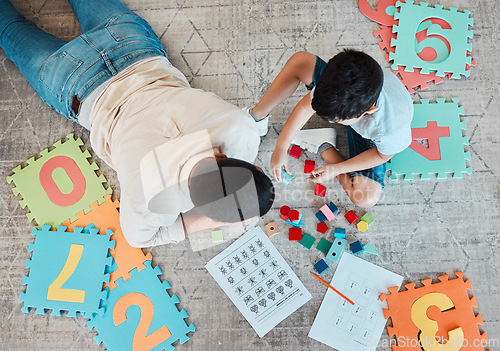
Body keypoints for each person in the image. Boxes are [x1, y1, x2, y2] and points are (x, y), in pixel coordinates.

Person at [0, 0, 275, 247]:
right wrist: (211, 221)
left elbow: (252, 126)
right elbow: (138, 239)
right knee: (8, 27)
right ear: (200, 204)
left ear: (234, 159)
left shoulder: (238, 129)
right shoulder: (152, 200)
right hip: (76, 86)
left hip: (130, 44)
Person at [246, 49, 413, 208]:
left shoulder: (390, 129)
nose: (331, 122)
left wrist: (337, 169)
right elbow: (306, 107)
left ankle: (325, 148)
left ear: (368, 111)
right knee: (301, 60)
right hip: (353, 107)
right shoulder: (335, 86)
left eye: (337, 121)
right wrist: (281, 146)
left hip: (371, 140)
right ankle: (257, 116)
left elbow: (381, 155)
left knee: (365, 198)